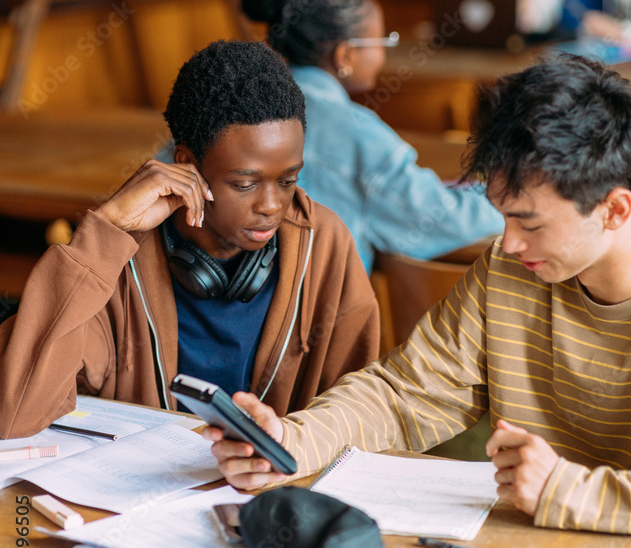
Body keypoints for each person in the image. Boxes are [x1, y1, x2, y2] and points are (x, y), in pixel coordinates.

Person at [206, 56, 631, 536]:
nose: (507, 243)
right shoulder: (510, 270)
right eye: (502, 216)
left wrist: (564, 491)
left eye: (529, 222)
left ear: (614, 209)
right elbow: (401, 394)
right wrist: (288, 442)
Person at [0, 40, 380, 439]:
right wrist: (105, 230)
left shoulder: (324, 245)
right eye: (245, 183)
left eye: (288, 181)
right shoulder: (118, 258)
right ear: (186, 165)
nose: (271, 205)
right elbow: (13, 415)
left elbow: (361, 417)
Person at [241, 0, 502, 273]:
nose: (383, 55)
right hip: (315, 319)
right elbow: (446, 219)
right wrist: (508, 193)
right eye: (382, 41)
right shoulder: (359, 134)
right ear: (346, 55)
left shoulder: (230, 105)